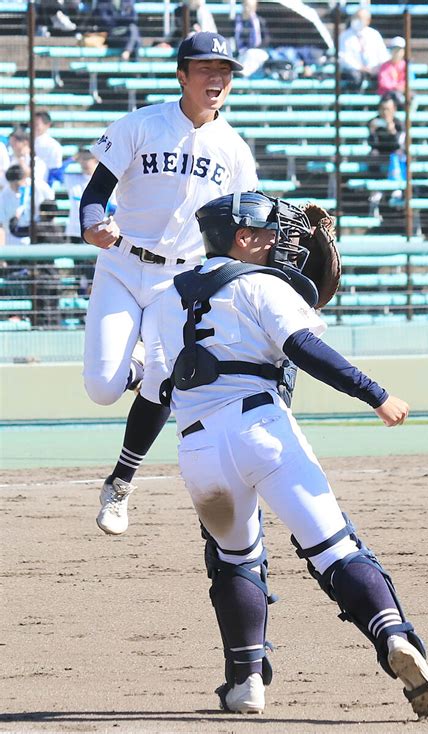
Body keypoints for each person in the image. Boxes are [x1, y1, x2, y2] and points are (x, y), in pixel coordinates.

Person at [152, 189, 428, 718]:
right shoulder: (262, 283)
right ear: (242, 239)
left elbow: (154, 393)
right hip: (260, 427)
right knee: (335, 549)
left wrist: (124, 471)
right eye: (269, 233)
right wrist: (375, 394)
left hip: (197, 446)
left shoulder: (162, 298)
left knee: (234, 559)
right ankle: (394, 640)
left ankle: (245, 684)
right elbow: (303, 348)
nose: (281, 241)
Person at [79, 32, 258, 536]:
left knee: (164, 380)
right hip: (120, 263)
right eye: (205, 68)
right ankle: (137, 364)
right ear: (182, 74)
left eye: (224, 70)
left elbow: (243, 227)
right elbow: (94, 195)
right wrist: (94, 225)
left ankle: (120, 483)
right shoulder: (140, 125)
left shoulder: (235, 151)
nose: (217, 78)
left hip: (179, 279)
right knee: (101, 388)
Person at [367, 96, 406, 217]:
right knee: (373, 155)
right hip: (379, 155)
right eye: (383, 109)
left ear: (394, 109)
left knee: (399, 156)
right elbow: (372, 144)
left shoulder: (399, 124)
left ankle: (397, 189)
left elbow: (399, 144)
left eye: (388, 109)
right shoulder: (374, 122)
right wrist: (372, 132)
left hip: (394, 155)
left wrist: (393, 131)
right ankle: (376, 188)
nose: (385, 113)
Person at [0, 164, 55, 246]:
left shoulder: (39, 186)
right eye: (12, 185)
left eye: (17, 184)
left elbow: (51, 202)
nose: (15, 188)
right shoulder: (4, 196)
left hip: (37, 232)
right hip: (15, 237)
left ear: (24, 178)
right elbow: (3, 222)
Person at [339, 6, 389, 91]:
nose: (357, 20)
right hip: (353, 71)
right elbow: (343, 57)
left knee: (384, 77)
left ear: (368, 21)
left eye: (361, 18)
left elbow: (383, 55)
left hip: (373, 70)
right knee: (355, 78)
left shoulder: (374, 35)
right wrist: (360, 67)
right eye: (356, 17)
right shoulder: (345, 36)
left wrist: (377, 67)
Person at [233, 0, 270, 78]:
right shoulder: (237, 22)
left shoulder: (260, 21)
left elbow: (266, 39)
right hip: (242, 53)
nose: (247, 9)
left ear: (255, 8)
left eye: (250, 7)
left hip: (258, 53)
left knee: (252, 54)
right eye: (246, 6)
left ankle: (243, 74)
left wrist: (254, 48)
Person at [34, 111, 65, 186]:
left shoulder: (53, 146)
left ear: (47, 125)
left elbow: (55, 171)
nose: (33, 127)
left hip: (43, 186)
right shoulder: (24, 141)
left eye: (36, 124)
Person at [377, 36, 407, 108]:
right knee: (393, 97)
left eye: (399, 50)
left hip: (401, 92)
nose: (397, 53)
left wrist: (402, 87)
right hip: (387, 94)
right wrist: (396, 86)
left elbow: (408, 80)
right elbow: (383, 82)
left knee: (412, 97)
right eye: (395, 50)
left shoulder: (405, 66)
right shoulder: (385, 66)